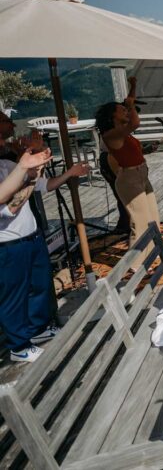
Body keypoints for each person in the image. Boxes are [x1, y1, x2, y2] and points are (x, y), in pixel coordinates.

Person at [0, 141, 89, 362]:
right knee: (14, 296)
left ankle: (38, 329)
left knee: (39, 285)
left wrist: (63, 172)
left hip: (32, 236)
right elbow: (10, 206)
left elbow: (43, 185)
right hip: (9, 244)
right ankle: (19, 346)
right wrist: (29, 172)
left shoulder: (8, 164)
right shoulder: (15, 167)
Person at [95, 78, 163, 245]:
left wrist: (133, 87)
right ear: (112, 117)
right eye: (122, 110)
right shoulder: (110, 134)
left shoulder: (121, 130)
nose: (126, 111)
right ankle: (136, 264)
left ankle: (155, 253)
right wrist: (131, 105)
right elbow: (135, 122)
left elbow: (128, 107)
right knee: (140, 222)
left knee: (153, 217)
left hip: (141, 175)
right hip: (129, 180)